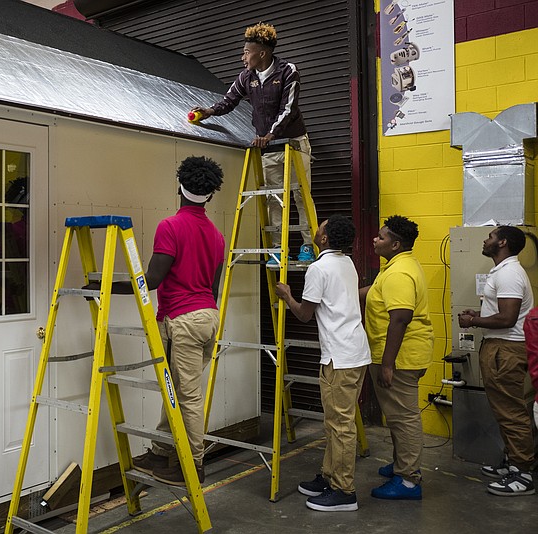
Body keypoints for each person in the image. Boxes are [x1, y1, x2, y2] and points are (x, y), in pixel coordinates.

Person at [90, 156, 225, 486]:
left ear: (179, 187)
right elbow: (213, 288)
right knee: (178, 389)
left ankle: (192, 465)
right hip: (208, 316)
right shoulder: (217, 235)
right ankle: (162, 450)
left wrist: (103, 286)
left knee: (188, 396)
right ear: (209, 195)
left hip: (183, 318)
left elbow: (150, 280)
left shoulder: (171, 226)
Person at [190, 21, 314, 255]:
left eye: (247, 52)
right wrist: (209, 111)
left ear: (262, 53)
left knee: (300, 195)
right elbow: (229, 101)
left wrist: (270, 134)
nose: (243, 57)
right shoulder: (246, 77)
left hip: (294, 144)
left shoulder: (288, 71)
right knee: (273, 198)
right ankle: (278, 248)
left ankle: (308, 245)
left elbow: (288, 109)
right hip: (269, 148)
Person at [275, 215, 370, 512]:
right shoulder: (347, 263)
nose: (316, 230)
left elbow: (304, 314)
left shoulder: (318, 268)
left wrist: (287, 295)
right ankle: (331, 476)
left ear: (325, 239)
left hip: (340, 357)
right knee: (336, 422)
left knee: (340, 425)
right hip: (351, 352)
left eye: (321, 227)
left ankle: (344, 491)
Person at [458, 226, 535, 496]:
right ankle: (512, 462)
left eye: (490, 236)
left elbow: (508, 318)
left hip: (506, 349)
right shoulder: (503, 271)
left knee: (511, 412)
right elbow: (501, 311)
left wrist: (473, 321)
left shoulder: (510, 274)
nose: (485, 239)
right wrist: (479, 313)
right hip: (498, 347)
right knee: (505, 410)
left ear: (501, 242)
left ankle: (522, 473)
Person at [361, 215, 433, 500]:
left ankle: (408, 480)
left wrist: (388, 364)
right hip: (403, 355)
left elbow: (400, 318)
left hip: (400, 359)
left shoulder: (398, 273)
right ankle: (403, 463)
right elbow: (377, 292)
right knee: (397, 416)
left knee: (404, 418)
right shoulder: (398, 265)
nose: (375, 240)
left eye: (381, 237)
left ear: (396, 243)